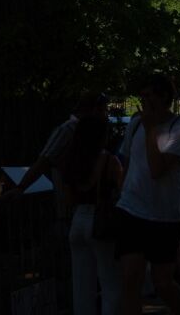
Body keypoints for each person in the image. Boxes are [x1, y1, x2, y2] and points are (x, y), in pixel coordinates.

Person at [117, 74, 180, 315]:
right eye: (142, 96)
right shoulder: (136, 124)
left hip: (164, 215)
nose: (143, 101)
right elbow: (127, 161)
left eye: (149, 95)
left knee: (162, 283)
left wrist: (151, 130)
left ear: (163, 98)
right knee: (131, 279)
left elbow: (157, 169)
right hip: (132, 209)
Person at [64, 114, 124, 315]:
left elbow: (69, 199)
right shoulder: (110, 161)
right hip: (101, 221)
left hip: (77, 220)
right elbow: (122, 194)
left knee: (81, 287)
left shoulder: (72, 162)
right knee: (110, 284)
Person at [8, 92, 109, 205]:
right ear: (94, 110)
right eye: (104, 110)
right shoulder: (67, 129)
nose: (106, 115)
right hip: (69, 201)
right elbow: (44, 161)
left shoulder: (90, 131)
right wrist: (21, 187)